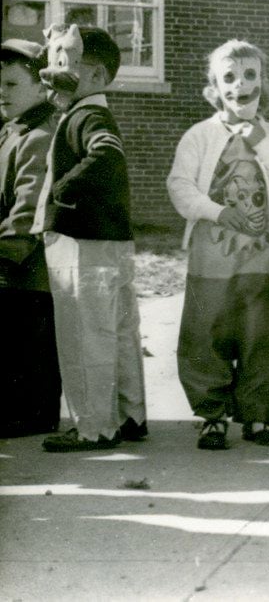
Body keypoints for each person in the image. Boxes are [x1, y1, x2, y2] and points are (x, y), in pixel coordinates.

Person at [167, 39, 269, 450]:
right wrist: (214, 211)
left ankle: (260, 414)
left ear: (263, 83)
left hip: (265, 253)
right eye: (229, 77)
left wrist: (261, 139)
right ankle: (212, 415)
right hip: (214, 252)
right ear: (214, 87)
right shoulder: (199, 135)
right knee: (207, 332)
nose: (240, 85)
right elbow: (179, 185)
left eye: (249, 76)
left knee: (264, 332)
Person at [32, 25, 148, 452]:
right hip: (110, 238)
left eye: (66, 65)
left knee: (84, 335)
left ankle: (94, 426)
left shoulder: (86, 116)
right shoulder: (89, 112)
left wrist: (62, 190)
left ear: (97, 77)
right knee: (118, 331)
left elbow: (106, 154)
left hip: (81, 240)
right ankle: (129, 414)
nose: (53, 75)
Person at [0, 39, 61, 438]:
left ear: (42, 88)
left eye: (11, 85)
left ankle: (34, 416)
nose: (1, 94)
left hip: (26, 269)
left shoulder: (38, 136)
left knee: (28, 347)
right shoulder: (13, 130)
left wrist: (5, 257)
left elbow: (28, 210)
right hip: (13, 264)